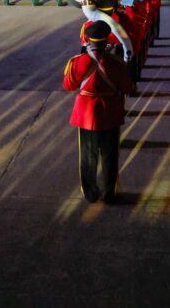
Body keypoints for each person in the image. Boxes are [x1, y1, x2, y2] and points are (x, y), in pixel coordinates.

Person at [62, 20, 133, 204]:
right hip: (109, 112)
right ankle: (109, 193)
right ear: (107, 40)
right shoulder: (116, 63)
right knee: (110, 155)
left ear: (88, 39)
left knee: (87, 155)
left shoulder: (78, 62)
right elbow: (127, 87)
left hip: (85, 113)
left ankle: (90, 192)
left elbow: (69, 86)